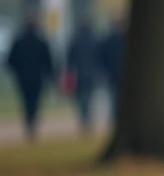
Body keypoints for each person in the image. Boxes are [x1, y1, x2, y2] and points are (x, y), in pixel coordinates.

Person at [5, 12, 56, 141]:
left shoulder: (18, 41)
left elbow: (10, 61)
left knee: (26, 101)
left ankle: (29, 122)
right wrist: (50, 76)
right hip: (37, 78)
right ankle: (32, 122)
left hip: (23, 78)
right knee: (35, 101)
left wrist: (17, 72)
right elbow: (48, 62)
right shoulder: (41, 42)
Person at [65, 22, 102, 132]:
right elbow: (98, 59)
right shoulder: (94, 41)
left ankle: (83, 117)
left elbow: (69, 60)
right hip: (91, 74)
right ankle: (86, 118)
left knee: (81, 98)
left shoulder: (75, 42)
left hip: (78, 75)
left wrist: (70, 72)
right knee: (88, 97)